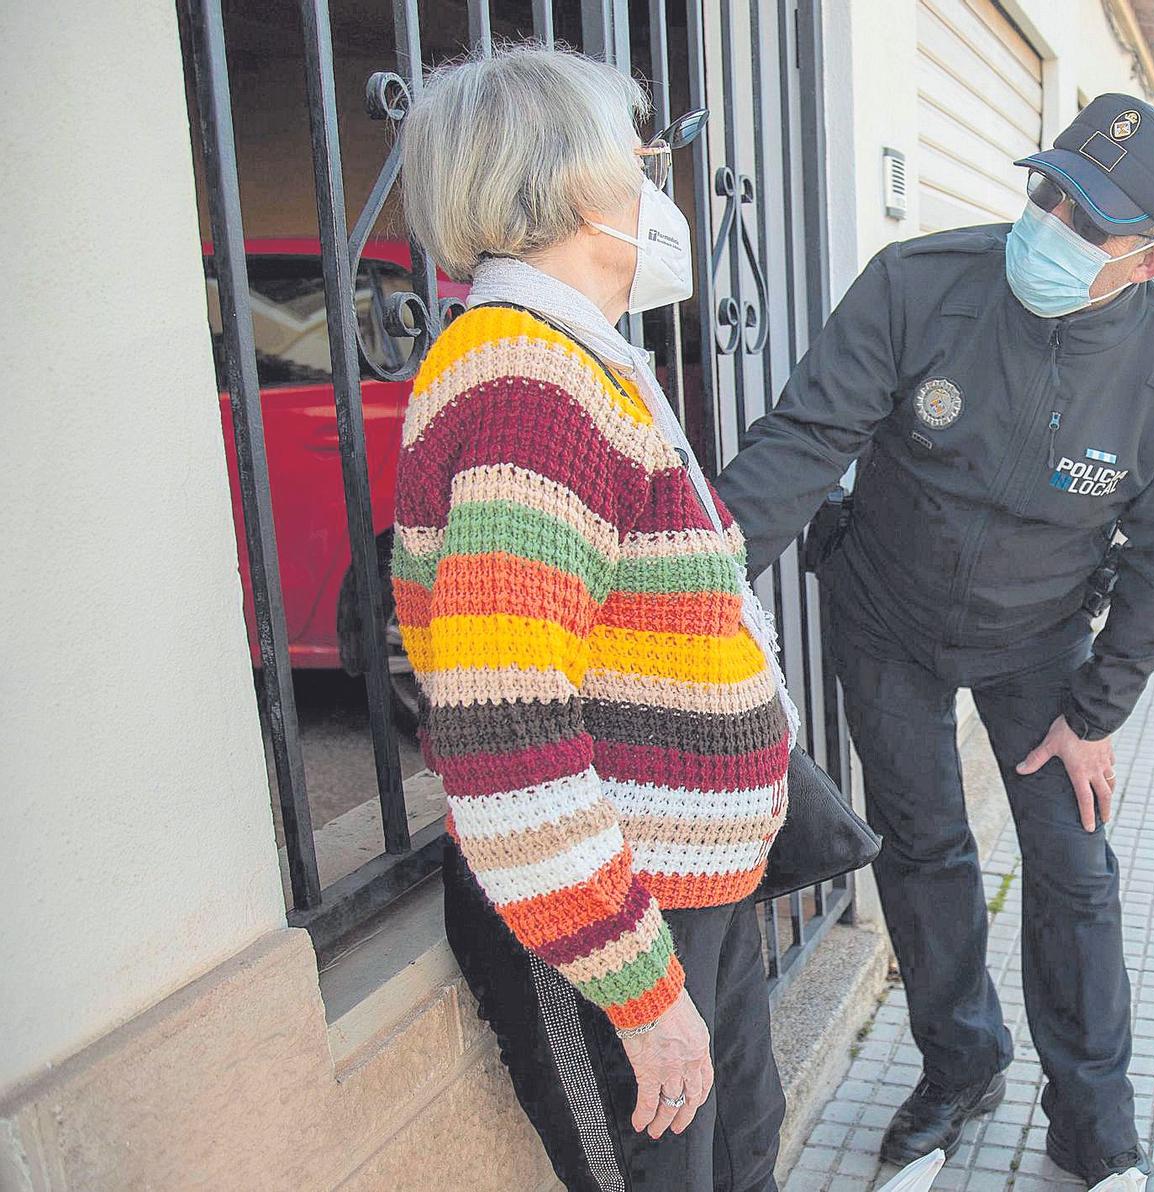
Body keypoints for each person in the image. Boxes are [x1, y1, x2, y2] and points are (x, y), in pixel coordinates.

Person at [717, 93, 1154, 1192]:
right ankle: (959, 1069)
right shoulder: (919, 283)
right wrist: (690, 578)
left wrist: (1095, 710)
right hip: (885, 613)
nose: (1047, 222)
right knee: (919, 849)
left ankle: (1094, 1131)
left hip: (1039, 638)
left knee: (1073, 867)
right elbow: (804, 440)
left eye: (1086, 220)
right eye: (1047, 189)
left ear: (1147, 262)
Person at [393, 47, 789, 1191]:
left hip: (678, 903)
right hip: (611, 930)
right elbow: (504, 738)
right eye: (643, 158)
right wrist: (641, 988)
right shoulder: (527, 386)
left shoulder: (578, 361)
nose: (655, 185)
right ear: (573, 184)